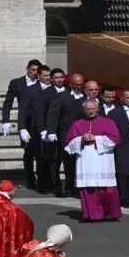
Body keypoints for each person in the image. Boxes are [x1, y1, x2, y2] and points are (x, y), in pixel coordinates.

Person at [65, 98, 121, 221]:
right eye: (88, 109)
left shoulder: (108, 122)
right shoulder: (77, 124)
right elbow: (69, 144)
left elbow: (115, 140)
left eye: (93, 109)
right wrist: (81, 139)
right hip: (86, 160)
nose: (91, 111)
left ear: (98, 109)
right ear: (84, 110)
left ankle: (110, 213)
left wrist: (96, 139)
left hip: (103, 161)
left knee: (106, 188)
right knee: (89, 188)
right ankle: (92, 215)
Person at [44, 70, 83, 198]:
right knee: (63, 163)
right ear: (70, 84)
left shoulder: (85, 98)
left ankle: (74, 188)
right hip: (65, 136)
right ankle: (62, 188)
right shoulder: (62, 97)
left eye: (80, 84)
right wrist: (51, 131)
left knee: (76, 164)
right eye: (76, 84)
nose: (78, 87)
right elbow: (53, 114)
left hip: (81, 136)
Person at [2, 61, 41, 188]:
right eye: (33, 70)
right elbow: (8, 102)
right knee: (29, 151)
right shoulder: (17, 83)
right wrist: (6, 121)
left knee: (41, 152)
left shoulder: (43, 83)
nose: (35, 73)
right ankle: (30, 178)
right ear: (27, 69)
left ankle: (42, 178)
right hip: (26, 122)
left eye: (37, 70)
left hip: (40, 123)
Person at [22, 66, 56, 193]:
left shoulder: (54, 90)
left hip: (52, 128)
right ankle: (42, 184)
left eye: (49, 76)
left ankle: (51, 183)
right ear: (39, 76)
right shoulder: (31, 90)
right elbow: (24, 110)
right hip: (36, 129)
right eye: (46, 76)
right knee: (40, 158)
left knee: (51, 158)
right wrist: (22, 128)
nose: (48, 78)